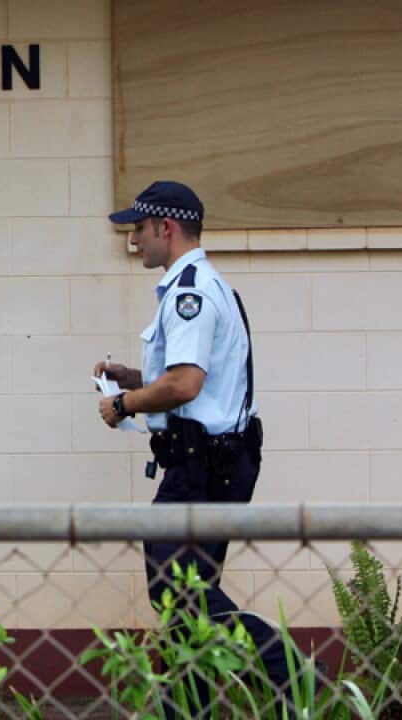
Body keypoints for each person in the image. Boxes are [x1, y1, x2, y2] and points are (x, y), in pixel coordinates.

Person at [95, 181, 292, 708]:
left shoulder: (190, 294)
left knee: (175, 590)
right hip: (212, 461)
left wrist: (124, 404)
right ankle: (188, 706)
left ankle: (292, 678)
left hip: (202, 467)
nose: (133, 239)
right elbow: (186, 377)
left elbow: (184, 386)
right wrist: (130, 375)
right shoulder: (203, 284)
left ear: (166, 227)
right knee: (186, 597)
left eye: (138, 228)